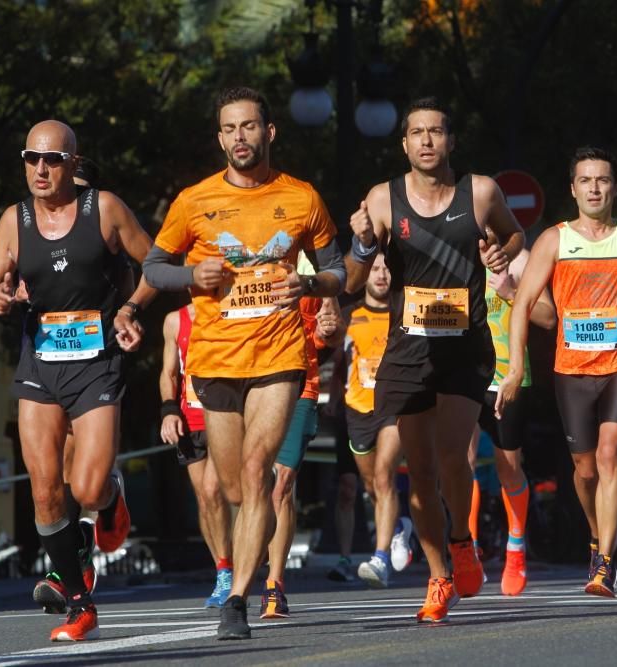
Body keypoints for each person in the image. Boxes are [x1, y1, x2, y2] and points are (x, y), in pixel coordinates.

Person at [142, 87, 345, 639]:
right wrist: (191, 277)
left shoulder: (302, 198)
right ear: (220, 137)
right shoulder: (193, 201)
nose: (240, 137)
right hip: (214, 362)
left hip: (280, 356)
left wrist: (309, 282)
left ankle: (238, 600)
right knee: (234, 489)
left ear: (269, 132)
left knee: (258, 475)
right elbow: (154, 265)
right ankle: (252, 551)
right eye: (230, 129)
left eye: (250, 127)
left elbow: (338, 272)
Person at [0, 120, 156, 641]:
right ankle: (80, 602)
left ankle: (111, 495)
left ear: (73, 165)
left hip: (96, 364)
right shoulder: (16, 219)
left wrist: (130, 309)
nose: (40, 169)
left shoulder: (106, 209)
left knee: (89, 487)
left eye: (51, 160)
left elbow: (157, 261)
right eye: (32, 159)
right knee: (46, 490)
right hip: (40, 366)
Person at [345, 96, 524, 623]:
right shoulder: (382, 199)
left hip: (465, 347)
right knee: (418, 471)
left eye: (436, 131)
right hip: (406, 349)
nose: (426, 141)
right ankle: (438, 574)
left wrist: (502, 252)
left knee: (453, 457)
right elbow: (355, 283)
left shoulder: (481, 191)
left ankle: (462, 539)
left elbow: (513, 234)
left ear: (451, 140)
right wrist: (359, 246)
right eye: (417, 133)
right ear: (404, 144)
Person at [498, 146, 617, 598]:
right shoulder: (554, 241)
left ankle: (605, 563)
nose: (594, 188)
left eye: (603, 180)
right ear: (572, 189)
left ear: (614, 187)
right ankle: (597, 535)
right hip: (571, 367)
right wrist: (517, 367)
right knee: (585, 469)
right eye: (586, 180)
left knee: (611, 453)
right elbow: (521, 305)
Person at [467, 233, 556, 595]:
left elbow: (549, 317)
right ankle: (467, 551)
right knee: (461, 461)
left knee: (508, 467)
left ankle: (515, 546)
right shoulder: (456, 258)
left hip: (508, 377)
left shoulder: (521, 261)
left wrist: (510, 292)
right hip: (466, 376)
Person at [260, 257, 344, 618]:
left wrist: (327, 330)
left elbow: (330, 329)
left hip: (299, 383)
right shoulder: (241, 255)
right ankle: (234, 569)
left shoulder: (314, 260)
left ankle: (273, 585)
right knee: (246, 486)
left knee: (282, 485)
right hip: (250, 384)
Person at [336, 253, 415, 589]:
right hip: (357, 408)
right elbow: (335, 357)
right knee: (370, 486)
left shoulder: (404, 310)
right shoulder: (349, 316)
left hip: (393, 407)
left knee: (384, 477)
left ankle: (380, 557)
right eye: (375, 269)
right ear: (365, 274)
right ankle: (398, 527)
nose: (382, 275)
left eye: (387, 268)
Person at [159, 303, 233, 608]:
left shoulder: (230, 310)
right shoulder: (174, 320)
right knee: (204, 499)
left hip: (223, 414)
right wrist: (168, 410)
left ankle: (229, 568)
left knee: (213, 489)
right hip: (190, 420)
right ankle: (223, 569)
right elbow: (168, 373)